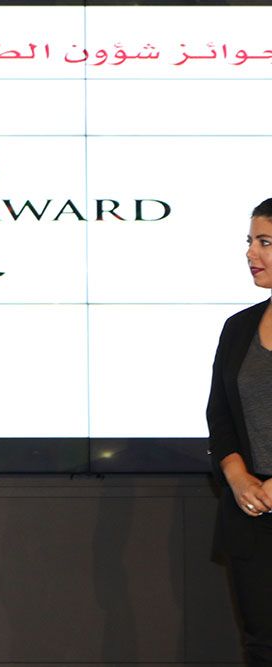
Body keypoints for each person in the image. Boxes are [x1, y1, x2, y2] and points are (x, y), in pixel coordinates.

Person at [208, 197, 272, 665]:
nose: (251, 253)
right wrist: (237, 477)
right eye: (250, 241)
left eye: (264, 242)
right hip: (252, 512)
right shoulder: (239, 327)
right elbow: (220, 414)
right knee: (262, 645)